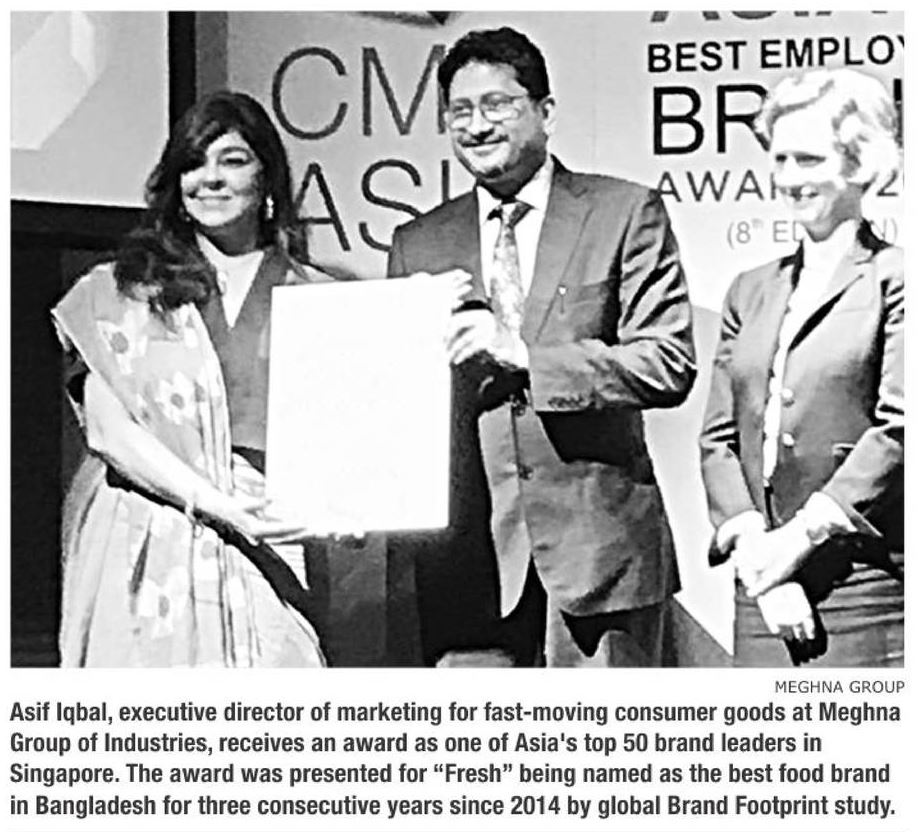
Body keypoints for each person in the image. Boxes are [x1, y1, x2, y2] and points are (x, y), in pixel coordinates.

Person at [388, 27, 696, 667]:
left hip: (597, 560)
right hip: (465, 565)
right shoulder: (419, 242)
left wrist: (526, 357)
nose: (477, 125)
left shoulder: (622, 211)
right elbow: (398, 402)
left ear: (545, 112)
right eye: (459, 111)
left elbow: (667, 362)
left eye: (496, 104)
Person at [52, 91, 328, 667]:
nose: (211, 179)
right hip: (147, 539)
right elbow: (107, 432)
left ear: (268, 178)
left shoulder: (320, 296)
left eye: (234, 160)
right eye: (194, 164)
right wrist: (218, 505)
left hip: (273, 545)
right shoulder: (120, 294)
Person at [699, 68, 903, 667]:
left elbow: (900, 427)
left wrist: (799, 540)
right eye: (780, 159)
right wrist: (760, 558)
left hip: (867, 585)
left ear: (862, 165)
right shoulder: (749, 289)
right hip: (762, 590)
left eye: (809, 160)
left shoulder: (898, 279)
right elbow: (717, 439)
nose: (789, 178)